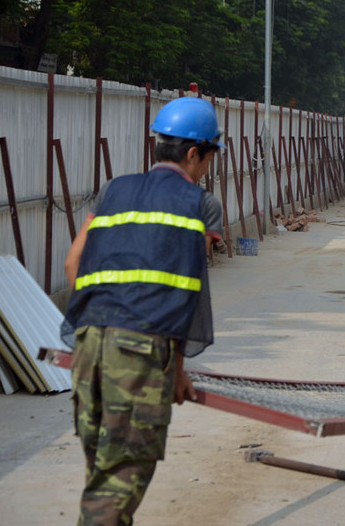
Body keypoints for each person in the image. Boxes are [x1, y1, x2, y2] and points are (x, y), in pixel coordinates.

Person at [61, 96, 225, 525]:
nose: (207, 169)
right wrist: (177, 370)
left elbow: (73, 264)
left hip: (88, 344)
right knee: (120, 478)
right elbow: (185, 292)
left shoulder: (114, 190)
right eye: (209, 158)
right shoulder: (201, 204)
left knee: (103, 470)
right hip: (140, 352)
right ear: (194, 153)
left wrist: (103, 315)